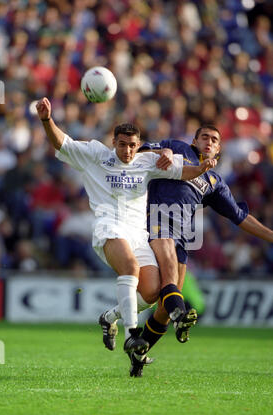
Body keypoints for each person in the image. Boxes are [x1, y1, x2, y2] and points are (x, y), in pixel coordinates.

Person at [35, 97, 217, 369]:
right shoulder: (96, 155)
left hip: (138, 233)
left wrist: (201, 169)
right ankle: (133, 336)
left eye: (133, 145)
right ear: (114, 143)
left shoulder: (146, 161)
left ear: (138, 144)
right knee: (130, 267)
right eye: (123, 144)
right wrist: (47, 120)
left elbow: (181, 172)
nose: (128, 151)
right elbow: (62, 142)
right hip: (109, 227)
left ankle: (110, 317)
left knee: (152, 292)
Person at [125, 124, 273, 376]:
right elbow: (139, 150)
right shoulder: (179, 148)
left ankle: (139, 351)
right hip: (156, 221)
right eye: (204, 136)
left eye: (214, 139)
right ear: (195, 140)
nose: (208, 141)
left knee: (164, 306)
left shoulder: (213, 182)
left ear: (218, 148)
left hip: (182, 235)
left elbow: (239, 216)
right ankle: (180, 315)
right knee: (170, 279)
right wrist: (165, 151)